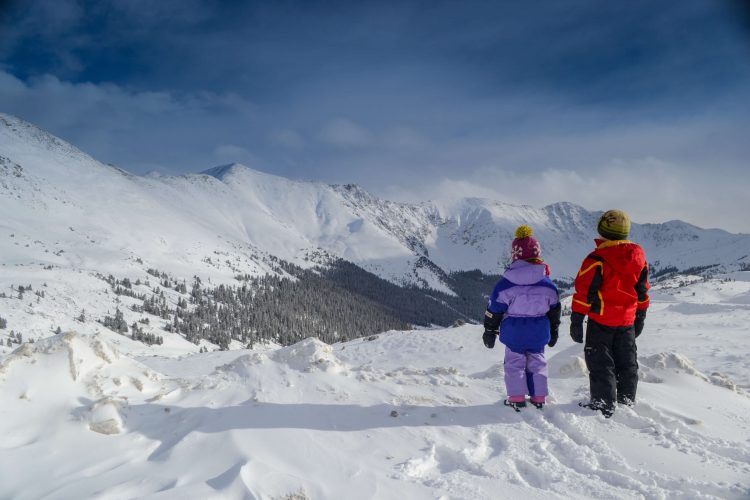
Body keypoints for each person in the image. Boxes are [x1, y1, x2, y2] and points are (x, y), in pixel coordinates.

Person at [570, 209, 650, 418]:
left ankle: (603, 404)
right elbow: (642, 290)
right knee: (627, 361)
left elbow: (584, 292)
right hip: (627, 321)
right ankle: (626, 399)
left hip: (601, 320)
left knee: (601, 362)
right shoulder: (639, 258)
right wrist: (641, 315)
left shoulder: (596, 259)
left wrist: (576, 320)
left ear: (602, 230)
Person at [483, 225, 561, 410]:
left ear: (515, 256)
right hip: (539, 330)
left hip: (514, 332)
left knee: (514, 364)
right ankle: (539, 397)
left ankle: (517, 398)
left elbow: (494, 309)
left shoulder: (505, 285)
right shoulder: (548, 285)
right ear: (538, 255)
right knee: (538, 363)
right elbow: (555, 309)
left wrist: (489, 330)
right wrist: (554, 329)